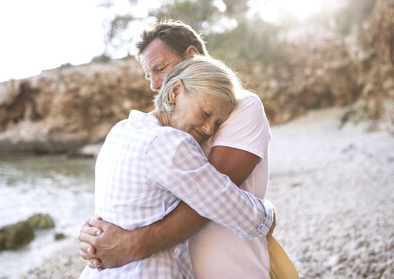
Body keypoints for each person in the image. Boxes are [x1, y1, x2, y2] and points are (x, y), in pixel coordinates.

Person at [79, 20, 276, 278]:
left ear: (191, 58)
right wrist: (92, 235)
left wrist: (132, 244)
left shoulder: (242, 106)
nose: (153, 84)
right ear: (175, 93)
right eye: (149, 75)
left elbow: (212, 199)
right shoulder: (163, 137)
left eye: (160, 68)